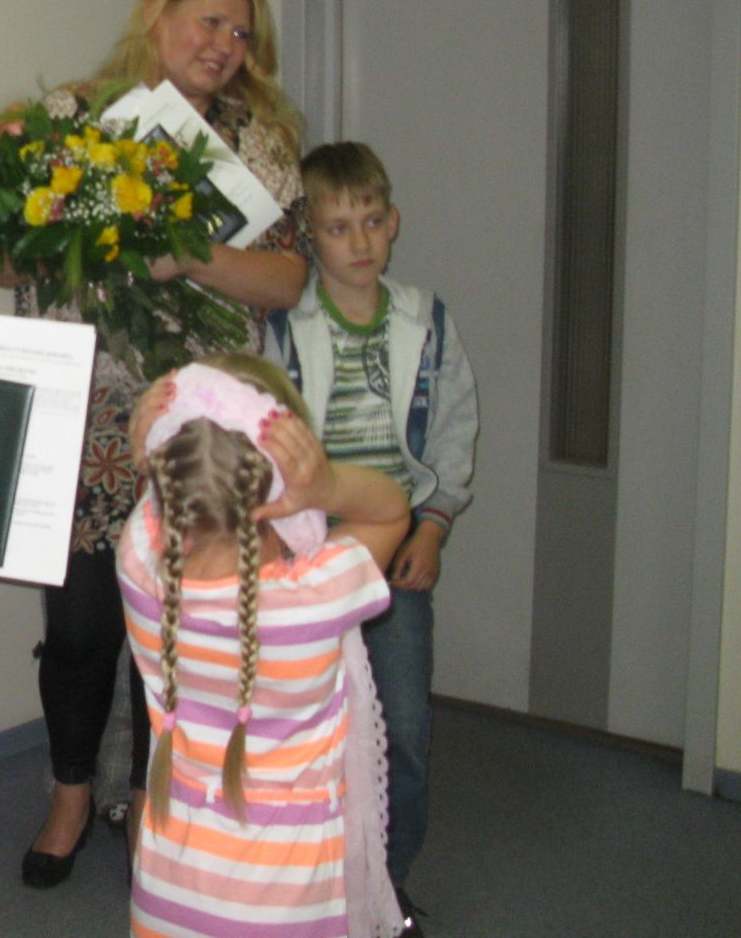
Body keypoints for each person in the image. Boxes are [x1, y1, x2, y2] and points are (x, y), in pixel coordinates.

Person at [0, 0, 308, 885]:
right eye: (209, 22)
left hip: (200, 429)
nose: (225, 46)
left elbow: (287, 279)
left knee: (181, 631)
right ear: (158, 14)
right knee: (81, 630)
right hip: (83, 421)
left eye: (241, 34)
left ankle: (155, 799)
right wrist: (74, 238)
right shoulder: (75, 118)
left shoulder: (260, 144)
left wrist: (186, 255)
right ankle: (71, 794)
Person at [118, 355, 411, 938]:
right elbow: (391, 511)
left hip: (167, 897)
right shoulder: (317, 597)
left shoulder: (139, 573)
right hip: (289, 906)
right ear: (284, 488)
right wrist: (327, 485)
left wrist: (146, 450)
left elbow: (152, 512)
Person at [265, 142, 479, 932]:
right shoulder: (285, 329)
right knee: (312, 730)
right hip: (310, 555)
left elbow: (453, 429)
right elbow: (264, 439)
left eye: (372, 222)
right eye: (337, 227)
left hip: (394, 560)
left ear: (395, 223)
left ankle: (387, 885)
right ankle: (319, 885)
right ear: (309, 238)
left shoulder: (427, 321)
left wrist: (434, 524)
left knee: (404, 730)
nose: (358, 241)